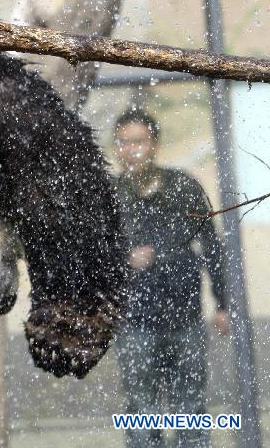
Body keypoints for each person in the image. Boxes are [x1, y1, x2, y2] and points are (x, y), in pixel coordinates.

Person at [113, 110, 228, 447]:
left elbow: (211, 247)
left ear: (154, 145)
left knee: (190, 409)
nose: (130, 149)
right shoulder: (111, 194)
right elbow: (93, 254)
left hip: (185, 317)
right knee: (142, 410)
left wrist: (222, 303)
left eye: (138, 141)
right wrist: (124, 258)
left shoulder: (183, 187)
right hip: (135, 321)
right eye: (123, 142)